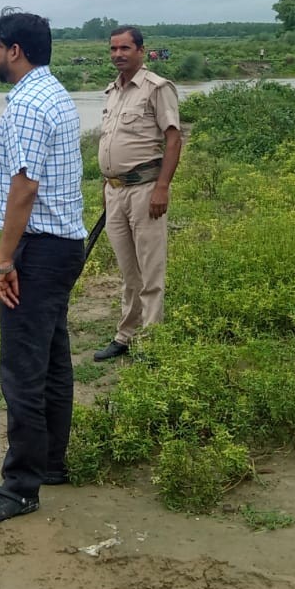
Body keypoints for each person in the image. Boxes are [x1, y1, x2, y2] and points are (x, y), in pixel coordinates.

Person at [0, 11, 85, 525]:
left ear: (14, 50)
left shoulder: (30, 105)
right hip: (62, 245)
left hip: (38, 248)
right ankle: (50, 464)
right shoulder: (53, 92)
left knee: (22, 370)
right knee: (53, 357)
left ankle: (20, 486)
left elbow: (25, 188)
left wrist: (3, 260)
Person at [93, 25, 183, 362]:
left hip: (146, 190)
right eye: (113, 49)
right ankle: (125, 335)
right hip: (115, 192)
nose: (118, 55)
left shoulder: (157, 88)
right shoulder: (113, 92)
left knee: (150, 270)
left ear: (141, 51)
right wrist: (106, 188)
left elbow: (173, 139)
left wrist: (163, 186)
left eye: (125, 48)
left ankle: (152, 341)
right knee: (128, 270)